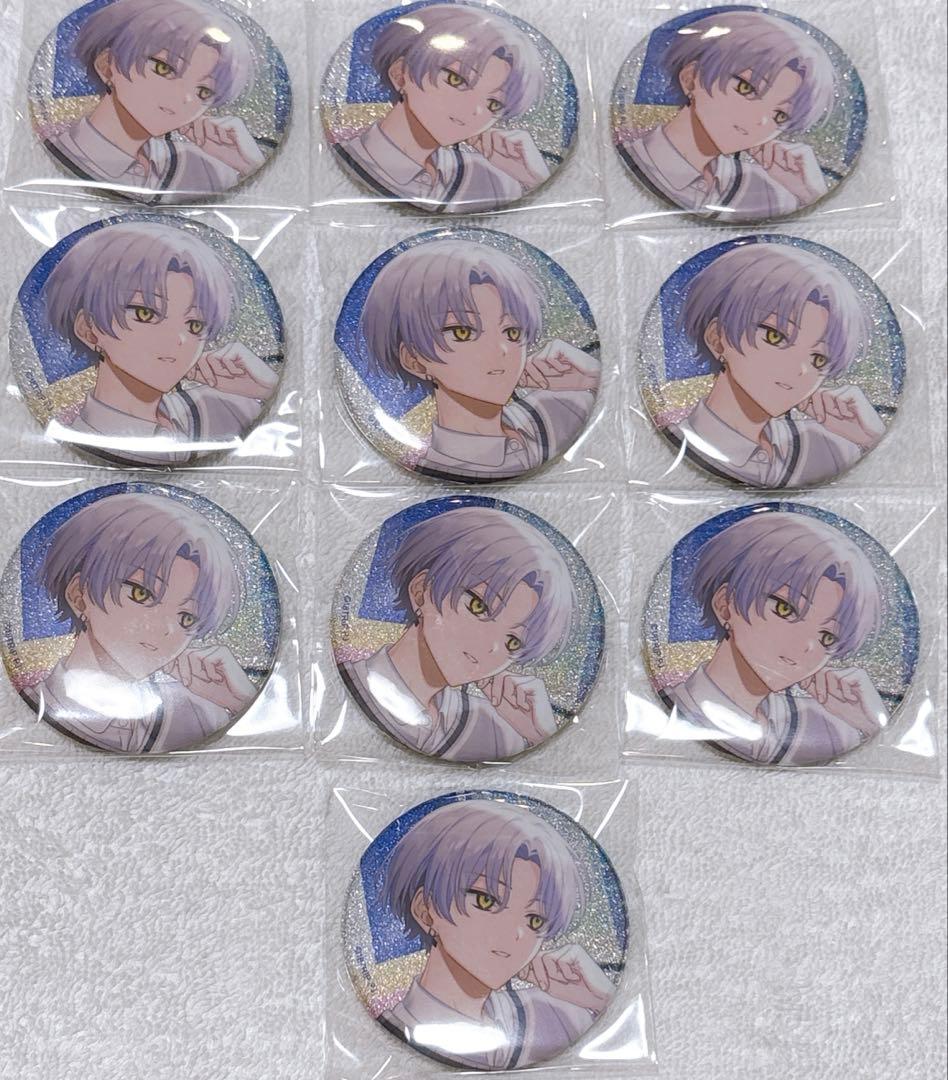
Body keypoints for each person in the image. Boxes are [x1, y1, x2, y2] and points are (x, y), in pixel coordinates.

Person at [378, 798, 616, 1069]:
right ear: (425, 910)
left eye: (535, 919)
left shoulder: (555, 1015)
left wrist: (600, 998)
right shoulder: (393, 1035)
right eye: (486, 901)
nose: (516, 934)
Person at [342, 507, 577, 762]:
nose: (491, 648)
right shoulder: (351, 686)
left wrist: (539, 732)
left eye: (513, 641)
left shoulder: (497, 728)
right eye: (479, 606)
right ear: (421, 591)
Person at [27, 491, 255, 753]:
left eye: (186, 617)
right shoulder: (34, 705)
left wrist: (238, 701)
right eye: (141, 593)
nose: (166, 629)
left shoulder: (200, 714)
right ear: (79, 595)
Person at [360, 240, 598, 481]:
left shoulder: (560, 408)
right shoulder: (441, 464)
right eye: (463, 332)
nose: (502, 349)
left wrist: (588, 377)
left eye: (512, 332)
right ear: (414, 360)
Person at [44, 221, 278, 464]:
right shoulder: (83, 436)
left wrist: (264, 388)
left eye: (195, 324)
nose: (180, 339)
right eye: (146, 313)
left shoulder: (221, 407)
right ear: (88, 330)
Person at [667, 512, 887, 765]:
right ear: (725, 605)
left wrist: (870, 722)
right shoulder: (675, 709)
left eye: (827, 637)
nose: (806, 646)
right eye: (786, 609)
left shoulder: (830, 728)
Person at [666, 243, 882, 488]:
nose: (801, 370)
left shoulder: (829, 445)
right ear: (717, 338)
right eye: (775, 336)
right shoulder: (683, 442)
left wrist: (869, 437)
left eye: (818, 358)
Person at [622, 10, 837, 218]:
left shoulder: (767, 190)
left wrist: (809, 193)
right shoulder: (634, 162)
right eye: (746, 88)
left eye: (780, 115)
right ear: (691, 77)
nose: (760, 120)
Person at [338, 4, 549, 212]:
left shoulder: (492, 178)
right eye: (456, 80)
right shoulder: (352, 159)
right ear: (400, 74)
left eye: (494, 103)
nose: (474, 110)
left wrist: (532, 178)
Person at [46, 0, 263, 200]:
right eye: (164, 68)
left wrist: (248, 164)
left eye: (204, 91)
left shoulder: (205, 168)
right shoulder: (59, 158)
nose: (184, 98)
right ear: (107, 66)